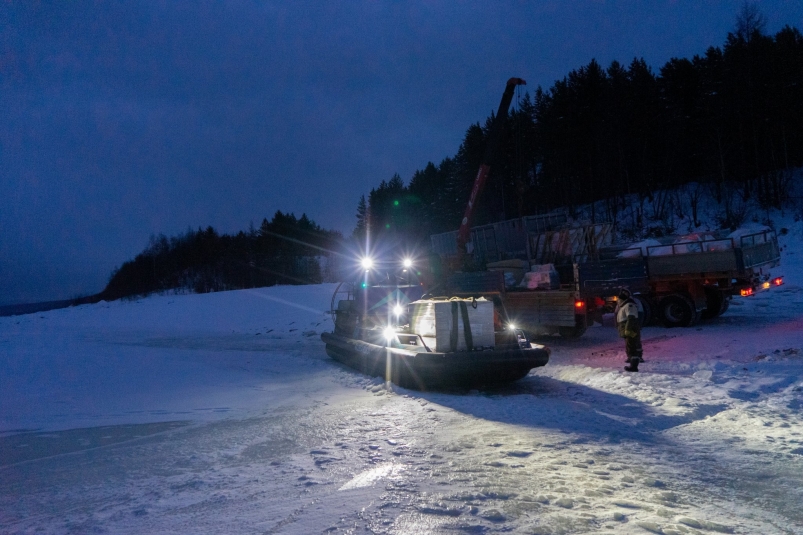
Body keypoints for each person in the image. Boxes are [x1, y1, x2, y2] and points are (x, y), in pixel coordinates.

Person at [615, 289, 643, 372]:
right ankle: (633, 365)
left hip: (631, 331)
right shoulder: (625, 306)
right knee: (630, 347)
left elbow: (631, 318)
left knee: (632, 347)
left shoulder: (629, 305)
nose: (617, 301)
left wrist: (627, 330)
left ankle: (633, 366)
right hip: (629, 330)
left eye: (619, 299)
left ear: (622, 299)